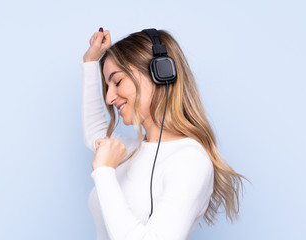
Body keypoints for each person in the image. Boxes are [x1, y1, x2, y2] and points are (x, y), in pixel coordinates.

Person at [81, 27, 244, 240]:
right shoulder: (129, 151)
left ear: (160, 74)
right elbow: (95, 132)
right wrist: (90, 61)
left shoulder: (190, 160)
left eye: (118, 81)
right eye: (107, 86)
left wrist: (104, 173)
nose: (109, 98)